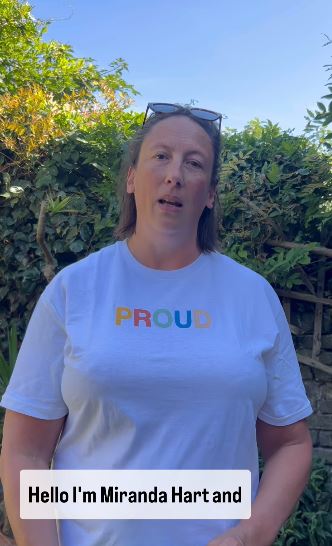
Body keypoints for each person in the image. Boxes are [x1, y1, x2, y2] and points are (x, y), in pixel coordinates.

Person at [0, 103, 313, 546]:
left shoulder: (252, 296)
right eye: (160, 156)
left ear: (210, 194)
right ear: (131, 178)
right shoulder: (74, 290)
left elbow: (291, 444)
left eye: (194, 163)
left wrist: (250, 535)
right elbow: (25, 449)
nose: (175, 175)